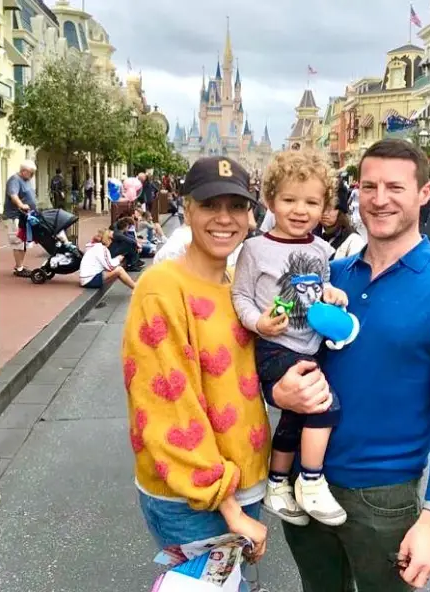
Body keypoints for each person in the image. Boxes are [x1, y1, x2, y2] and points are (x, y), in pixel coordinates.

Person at [267, 139, 430, 591]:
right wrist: (275, 391)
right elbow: (278, 352)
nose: (379, 199)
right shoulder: (331, 276)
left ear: (426, 193)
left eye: (395, 187)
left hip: (382, 499)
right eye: (369, 186)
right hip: (305, 487)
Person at [122, 156, 270, 589]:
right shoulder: (161, 289)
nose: (225, 219)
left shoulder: (234, 285)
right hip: (196, 496)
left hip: (241, 486)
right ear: (186, 209)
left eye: (237, 206)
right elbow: (171, 409)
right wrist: (230, 510)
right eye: (210, 205)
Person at [232, 150, 349, 528]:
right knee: (324, 405)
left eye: (312, 202)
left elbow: (323, 284)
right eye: (290, 200)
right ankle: (311, 482)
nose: (301, 210)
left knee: (295, 419)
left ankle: (278, 483)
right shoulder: (255, 248)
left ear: (324, 207)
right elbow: (241, 296)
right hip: (274, 345)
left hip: (310, 344)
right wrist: (257, 324)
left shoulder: (320, 249)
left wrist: (333, 294)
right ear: (271, 201)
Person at [3, 160, 38, 278]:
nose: (32, 176)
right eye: (31, 173)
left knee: (23, 241)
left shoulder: (26, 180)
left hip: (25, 216)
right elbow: (13, 195)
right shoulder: (15, 180)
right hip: (15, 216)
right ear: (24, 171)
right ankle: (19, 268)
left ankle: (20, 266)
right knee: (17, 241)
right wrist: (21, 205)